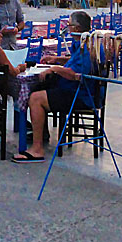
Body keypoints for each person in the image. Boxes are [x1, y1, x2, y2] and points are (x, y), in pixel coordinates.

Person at [12, 11, 94, 162]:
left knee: (36, 98)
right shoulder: (83, 42)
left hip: (78, 94)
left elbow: (76, 74)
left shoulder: (87, 46)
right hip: (71, 89)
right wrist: (56, 59)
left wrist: (55, 69)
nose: (67, 28)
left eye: (69, 25)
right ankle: (41, 133)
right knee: (37, 89)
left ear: (76, 28)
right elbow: (74, 61)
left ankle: (37, 149)